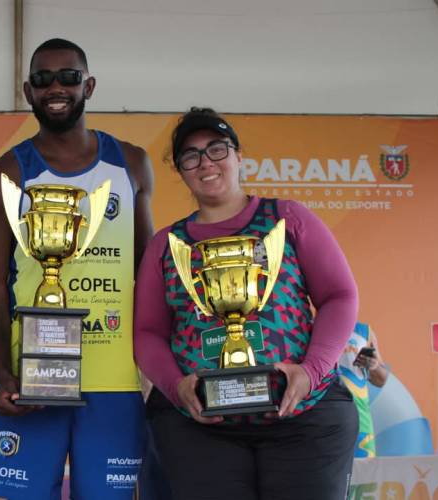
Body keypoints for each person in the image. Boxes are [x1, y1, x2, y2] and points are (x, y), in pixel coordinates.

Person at [134, 107, 359, 500]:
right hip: (201, 425)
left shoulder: (287, 219)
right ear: (181, 170)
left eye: (217, 149)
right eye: (191, 155)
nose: (206, 163)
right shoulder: (167, 245)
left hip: (304, 417)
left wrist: (311, 371)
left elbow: (339, 296)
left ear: (239, 156)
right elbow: (148, 332)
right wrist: (175, 387)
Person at [0, 38, 154, 499]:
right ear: (28, 91)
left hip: (115, 380)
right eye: (43, 79)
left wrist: (156, 369)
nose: (57, 87)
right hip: (34, 380)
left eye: (69, 77)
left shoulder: (130, 164)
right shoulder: (4, 175)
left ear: (88, 86)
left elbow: (148, 273)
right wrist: (3, 376)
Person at [338, 321, 389, 457]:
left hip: (360, 418)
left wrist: (374, 366)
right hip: (325, 418)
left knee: (365, 475)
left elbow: (381, 379)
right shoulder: (312, 327)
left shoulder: (365, 331)